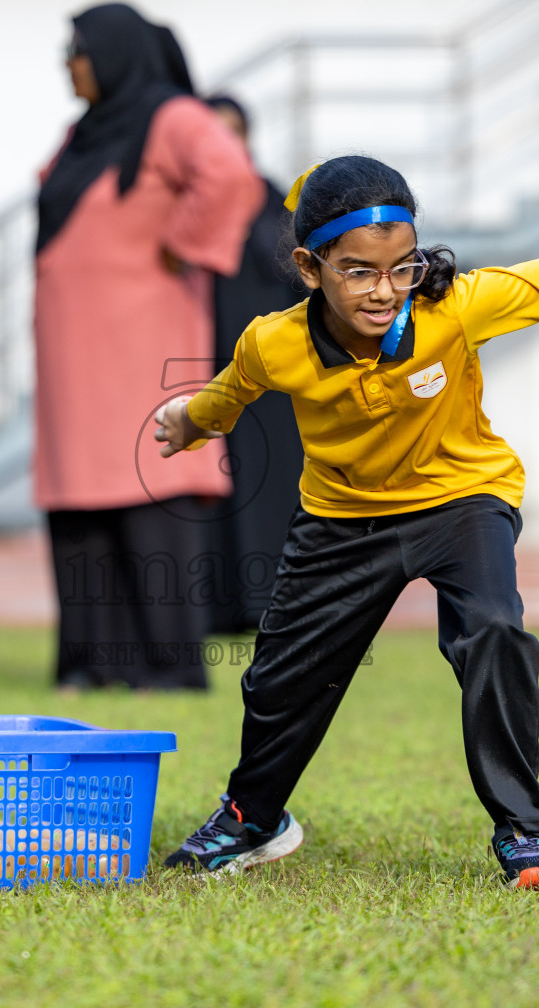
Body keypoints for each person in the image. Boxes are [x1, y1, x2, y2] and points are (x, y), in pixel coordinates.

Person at [153, 155, 539, 887]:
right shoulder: (276, 341)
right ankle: (253, 819)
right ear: (309, 267)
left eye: (401, 268)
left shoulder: (456, 307)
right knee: (276, 681)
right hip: (341, 520)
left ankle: (523, 835)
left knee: (492, 630)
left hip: (461, 500)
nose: (385, 291)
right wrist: (190, 421)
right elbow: (231, 391)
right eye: (359, 271)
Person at [33, 4, 262, 692]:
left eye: (76, 50)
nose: (67, 65)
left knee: (149, 488)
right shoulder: (84, 133)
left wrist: (181, 246)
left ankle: (166, 667)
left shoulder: (171, 117)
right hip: (76, 355)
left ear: (113, 54)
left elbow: (230, 173)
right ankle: (94, 665)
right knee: (81, 501)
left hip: (144, 342)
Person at [203, 95, 308, 633]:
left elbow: (303, 278)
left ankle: (271, 605)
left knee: (271, 489)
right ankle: (214, 608)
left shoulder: (280, 209)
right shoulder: (184, 212)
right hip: (203, 372)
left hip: (270, 380)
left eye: (232, 136)